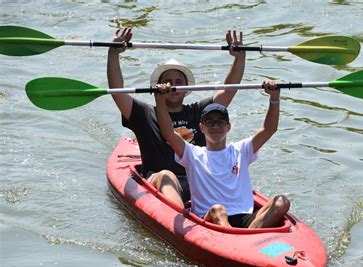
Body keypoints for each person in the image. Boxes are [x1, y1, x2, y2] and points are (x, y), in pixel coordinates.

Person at [107, 28, 246, 208]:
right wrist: (113, 53)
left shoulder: (200, 111)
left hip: (197, 179)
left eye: (178, 82)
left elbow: (229, 89)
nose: (173, 86)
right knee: (167, 175)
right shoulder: (144, 113)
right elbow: (117, 91)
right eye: (168, 82)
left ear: (187, 89)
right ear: (157, 87)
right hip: (160, 181)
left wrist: (239, 58)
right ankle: (183, 220)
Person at [155, 80, 290, 229]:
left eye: (220, 122)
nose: (216, 126)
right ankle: (236, 244)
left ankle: (245, 239)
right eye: (210, 122)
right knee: (218, 209)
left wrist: (275, 97)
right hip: (210, 218)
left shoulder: (241, 150)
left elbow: (269, 129)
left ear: (228, 127)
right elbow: (168, 133)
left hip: (244, 215)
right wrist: (160, 99)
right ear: (202, 127)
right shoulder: (192, 153)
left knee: (281, 202)